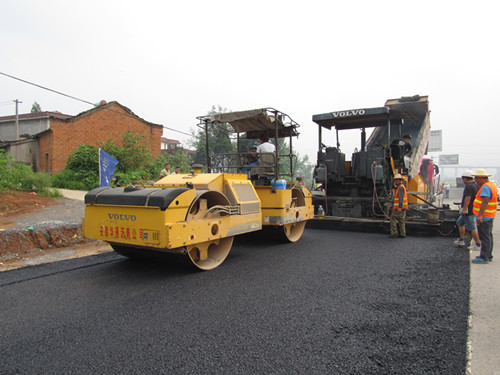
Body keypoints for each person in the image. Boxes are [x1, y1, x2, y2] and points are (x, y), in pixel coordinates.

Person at [471, 168, 498, 264]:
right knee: (488, 236)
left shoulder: (486, 187)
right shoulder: (492, 185)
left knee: (484, 237)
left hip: (484, 216)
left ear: (481, 178)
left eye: (476, 179)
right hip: (489, 215)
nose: (475, 181)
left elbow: (485, 201)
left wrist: (479, 216)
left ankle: (484, 257)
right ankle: (488, 254)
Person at [454, 170, 480, 249]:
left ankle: (478, 244)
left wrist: (464, 209)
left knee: (472, 227)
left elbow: (468, 198)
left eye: (463, 179)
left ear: (465, 178)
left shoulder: (469, 186)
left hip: (469, 210)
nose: (463, 181)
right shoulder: (476, 185)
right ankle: (461, 240)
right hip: (472, 208)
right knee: (460, 223)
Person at [389, 173, 408, 238]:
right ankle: (403, 234)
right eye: (395, 180)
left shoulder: (400, 188)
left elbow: (400, 198)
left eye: (397, 180)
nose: (396, 181)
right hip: (403, 207)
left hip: (399, 208)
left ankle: (394, 233)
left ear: (400, 180)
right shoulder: (402, 187)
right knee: (401, 220)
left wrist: (399, 207)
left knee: (392, 218)